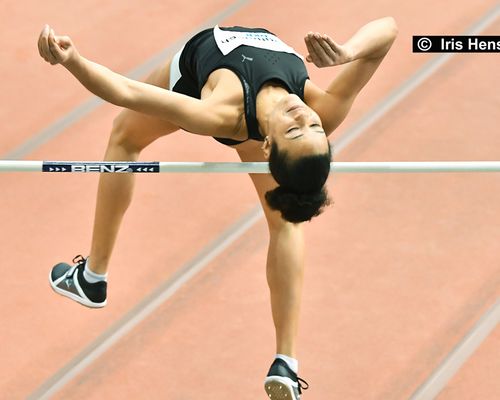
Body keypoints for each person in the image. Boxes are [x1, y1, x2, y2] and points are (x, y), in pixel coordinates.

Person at [39, 18, 397, 400]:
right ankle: (287, 365)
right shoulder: (321, 109)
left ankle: (93, 277)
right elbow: (388, 30)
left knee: (124, 137)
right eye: (312, 127)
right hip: (255, 117)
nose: (301, 116)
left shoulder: (219, 112)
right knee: (287, 223)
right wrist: (348, 52)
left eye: (294, 131)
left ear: (268, 149)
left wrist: (72, 60)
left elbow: (127, 91)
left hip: (202, 76)